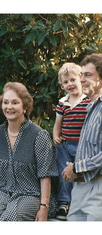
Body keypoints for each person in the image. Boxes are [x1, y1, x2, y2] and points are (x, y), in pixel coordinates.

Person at [0, 82, 58, 221]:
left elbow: (46, 174)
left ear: (25, 106)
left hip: (31, 194)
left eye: (15, 102)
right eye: (6, 102)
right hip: (2, 191)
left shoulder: (39, 135)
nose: (9, 107)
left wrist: (43, 207)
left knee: (9, 218)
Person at [62, 53, 102, 221]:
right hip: (80, 186)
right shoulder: (90, 108)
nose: (82, 79)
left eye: (88, 75)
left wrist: (77, 167)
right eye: (81, 75)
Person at [53, 63, 90, 220]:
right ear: (62, 85)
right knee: (64, 173)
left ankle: (78, 203)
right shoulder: (63, 103)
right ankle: (63, 203)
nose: (70, 84)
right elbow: (58, 123)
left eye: (73, 80)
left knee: (79, 173)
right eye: (66, 82)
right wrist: (55, 135)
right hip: (65, 145)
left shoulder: (88, 101)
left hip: (83, 146)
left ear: (81, 79)